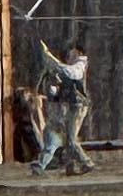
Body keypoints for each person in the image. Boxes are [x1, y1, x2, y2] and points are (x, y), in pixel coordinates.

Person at [33, 33, 93, 177]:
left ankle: (86, 162)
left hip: (78, 106)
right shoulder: (73, 66)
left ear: (78, 52)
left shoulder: (80, 65)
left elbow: (70, 74)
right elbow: (57, 91)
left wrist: (54, 62)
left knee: (71, 139)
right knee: (66, 138)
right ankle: (70, 165)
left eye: (71, 52)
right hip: (72, 106)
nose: (69, 55)